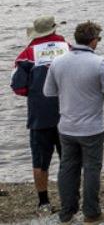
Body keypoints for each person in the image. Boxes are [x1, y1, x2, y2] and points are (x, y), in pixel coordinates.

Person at [43, 21, 104, 225]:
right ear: (93, 40)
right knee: (92, 169)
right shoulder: (99, 63)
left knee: (67, 168)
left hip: (66, 126)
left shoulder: (58, 62)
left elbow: (48, 92)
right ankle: (92, 213)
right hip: (92, 127)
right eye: (98, 39)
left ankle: (67, 213)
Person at [10, 16, 70, 216]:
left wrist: (35, 91)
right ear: (54, 29)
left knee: (40, 161)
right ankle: (70, 200)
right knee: (68, 160)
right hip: (67, 113)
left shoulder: (26, 55)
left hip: (39, 116)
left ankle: (44, 203)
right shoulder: (68, 48)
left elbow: (18, 87)